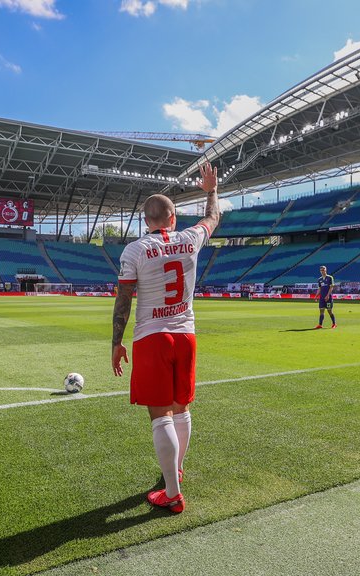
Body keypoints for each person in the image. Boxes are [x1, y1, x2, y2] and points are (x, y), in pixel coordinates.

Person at [111, 162, 220, 514]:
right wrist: (211, 191)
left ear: (147, 221)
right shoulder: (190, 239)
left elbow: (124, 300)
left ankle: (172, 493)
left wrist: (116, 342)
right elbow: (213, 218)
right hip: (186, 335)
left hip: (151, 337)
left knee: (160, 416)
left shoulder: (134, 250)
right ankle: (176, 471)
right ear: (173, 218)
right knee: (182, 409)